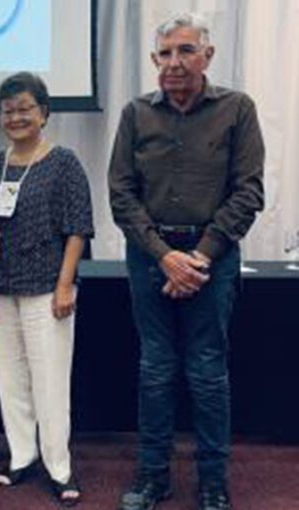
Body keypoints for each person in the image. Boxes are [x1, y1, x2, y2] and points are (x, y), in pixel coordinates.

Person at [108, 13, 264, 510]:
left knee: (206, 370)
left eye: (185, 50)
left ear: (207, 56)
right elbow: (121, 194)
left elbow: (249, 192)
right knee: (155, 369)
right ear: (154, 61)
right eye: (165, 54)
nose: (174, 63)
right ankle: (153, 477)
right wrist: (165, 256)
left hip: (210, 259)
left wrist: (197, 258)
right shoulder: (136, 113)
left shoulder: (237, 109)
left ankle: (213, 482)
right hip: (150, 256)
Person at [0, 72, 93, 507]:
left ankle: (59, 467)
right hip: (2, 287)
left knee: (50, 384)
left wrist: (65, 284)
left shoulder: (64, 162)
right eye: (8, 110)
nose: (16, 117)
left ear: (44, 113)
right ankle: (22, 455)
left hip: (47, 289)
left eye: (25, 109)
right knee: (11, 379)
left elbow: (78, 228)